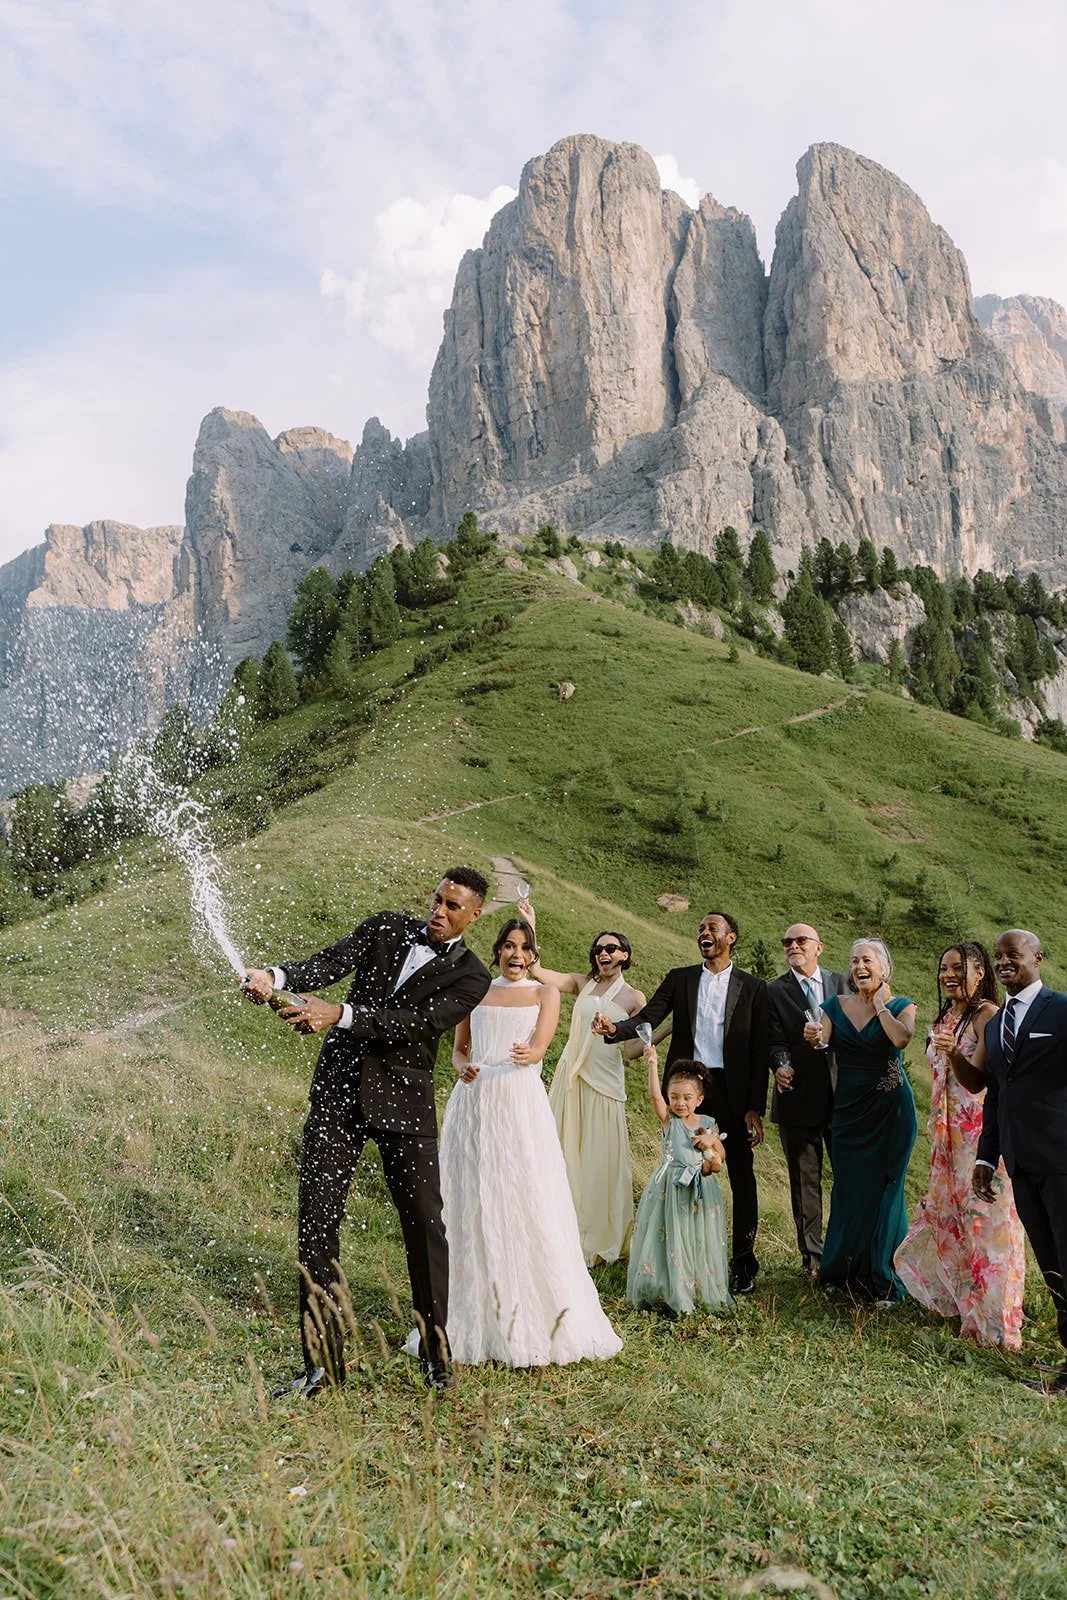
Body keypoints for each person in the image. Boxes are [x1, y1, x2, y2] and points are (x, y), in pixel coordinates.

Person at [242, 867, 492, 1397]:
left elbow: (415, 1024)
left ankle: (436, 1353)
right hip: (337, 1094)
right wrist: (275, 977)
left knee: (425, 1226)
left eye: (452, 907)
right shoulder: (384, 927)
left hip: (405, 1106)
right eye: (437, 900)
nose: (439, 912)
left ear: (475, 915)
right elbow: (328, 963)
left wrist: (340, 1014)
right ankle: (321, 1365)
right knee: (316, 1223)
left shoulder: (474, 976)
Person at [432, 917, 622, 1366]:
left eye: (525, 949)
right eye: (509, 947)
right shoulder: (476, 988)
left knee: (521, 1197)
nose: (516, 955)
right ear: (497, 950)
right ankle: (467, 1312)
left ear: (534, 956)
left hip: (516, 1102)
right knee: (469, 1200)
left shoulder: (545, 993)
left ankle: (530, 1312)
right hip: (473, 1102)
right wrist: (463, 1066)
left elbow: (540, 1046)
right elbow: (460, 1048)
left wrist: (530, 1054)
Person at [594, 910, 768, 1296]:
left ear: (731, 938)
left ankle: (743, 1263)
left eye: (713, 929)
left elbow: (759, 1050)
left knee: (740, 1174)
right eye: (701, 928)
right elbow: (650, 1014)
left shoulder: (753, 987)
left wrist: (756, 1105)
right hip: (688, 1087)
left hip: (733, 1091)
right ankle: (683, 1257)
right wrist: (614, 1029)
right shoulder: (681, 978)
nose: (705, 933)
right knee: (681, 1167)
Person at [894, 942, 1025, 1348]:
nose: (948, 975)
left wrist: (952, 1054)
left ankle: (997, 1328)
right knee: (954, 1225)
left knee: (989, 1231)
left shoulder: (987, 1015)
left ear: (979, 973)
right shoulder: (948, 1015)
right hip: (946, 1140)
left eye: (958, 968)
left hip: (979, 1140)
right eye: (943, 968)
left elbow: (978, 1082)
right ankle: (968, 1314)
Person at [520, 904, 646, 1265]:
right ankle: (559, 1227)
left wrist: (665, 1031)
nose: (603, 954)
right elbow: (539, 972)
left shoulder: (635, 998)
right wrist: (531, 927)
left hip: (605, 1083)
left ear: (625, 955)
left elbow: (633, 1050)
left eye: (611, 949)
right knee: (562, 1153)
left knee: (599, 1160)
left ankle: (599, 1232)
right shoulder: (581, 983)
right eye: (598, 949)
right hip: (571, 1079)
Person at [972, 930, 1067, 1395]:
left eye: (1013, 954)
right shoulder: (994, 1023)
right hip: (1020, 1162)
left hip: (1063, 1158)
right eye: (999, 956)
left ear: (1037, 958)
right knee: (1051, 1261)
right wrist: (987, 1156)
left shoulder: (1062, 1010)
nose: (1004, 962)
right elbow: (995, 1095)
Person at [806, 938, 917, 1303]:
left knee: (887, 1190)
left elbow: (901, 1040)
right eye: (854, 961)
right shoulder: (834, 1005)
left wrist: (881, 1006)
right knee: (850, 1188)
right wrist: (814, 1037)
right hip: (850, 1112)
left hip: (891, 1111)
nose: (858, 967)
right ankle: (842, 1270)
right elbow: (821, 1039)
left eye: (866, 960)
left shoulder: (903, 1006)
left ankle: (882, 1275)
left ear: (883, 968)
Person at [767, 923, 847, 1279]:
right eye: (787, 942)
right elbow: (773, 1040)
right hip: (797, 1098)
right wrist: (781, 1066)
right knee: (804, 1182)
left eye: (801, 940)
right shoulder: (773, 991)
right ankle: (812, 1259)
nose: (793, 946)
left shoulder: (843, 984)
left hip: (845, 1098)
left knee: (849, 1178)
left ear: (819, 947)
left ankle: (848, 1254)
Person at [627, 1053, 731, 1316]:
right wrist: (652, 1065)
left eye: (686, 1098)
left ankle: (696, 1286)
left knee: (695, 1236)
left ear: (699, 1099)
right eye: (674, 1097)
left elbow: (720, 1152)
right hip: (670, 1189)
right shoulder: (669, 1121)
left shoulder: (707, 1123)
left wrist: (711, 1145)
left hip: (700, 1189)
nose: (680, 1103)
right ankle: (671, 1288)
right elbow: (654, 1097)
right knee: (669, 1235)